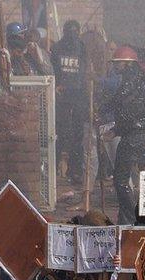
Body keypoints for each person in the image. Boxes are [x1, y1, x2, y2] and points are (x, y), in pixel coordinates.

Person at [100, 46, 145, 224]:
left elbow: (126, 108)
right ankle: (140, 217)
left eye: (118, 63)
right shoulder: (139, 78)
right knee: (144, 177)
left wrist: (115, 129)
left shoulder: (132, 80)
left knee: (121, 180)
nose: (115, 67)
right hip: (141, 134)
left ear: (127, 63)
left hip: (133, 136)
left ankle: (130, 219)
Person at [51, 20, 89, 184]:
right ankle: (54, 170)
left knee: (77, 135)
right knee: (60, 133)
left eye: (75, 31)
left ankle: (75, 171)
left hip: (78, 95)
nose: (73, 34)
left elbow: (85, 70)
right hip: (61, 96)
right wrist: (56, 84)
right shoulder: (57, 48)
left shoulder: (82, 47)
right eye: (70, 31)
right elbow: (52, 69)